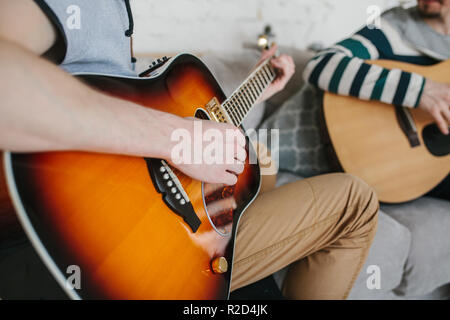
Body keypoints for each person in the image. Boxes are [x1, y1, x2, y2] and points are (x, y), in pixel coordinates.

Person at [0, 0, 378, 300]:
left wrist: (258, 87)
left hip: (156, 230)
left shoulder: (118, 14)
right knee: (355, 201)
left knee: (260, 168)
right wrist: (179, 138)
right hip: (115, 244)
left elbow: (153, 112)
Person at [262, 0, 450, 201]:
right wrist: (417, 90)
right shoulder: (390, 27)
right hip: (328, 150)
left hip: (406, 174)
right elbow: (321, 65)